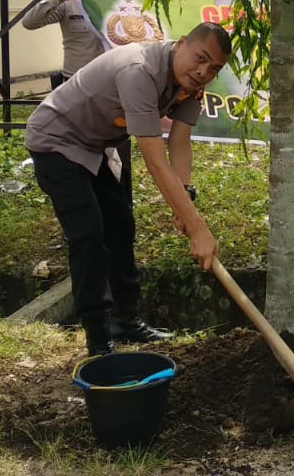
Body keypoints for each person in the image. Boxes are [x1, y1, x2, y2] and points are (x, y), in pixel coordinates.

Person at [24, 22, 230, 356]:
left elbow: (179, 140)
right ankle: (97, 336)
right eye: (200, 58)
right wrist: (196, 226)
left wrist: (185, 197)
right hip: (57, 139)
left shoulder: (191, 85)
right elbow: (155, 161)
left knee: (121, 226)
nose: (203, 71)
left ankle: (126, 321)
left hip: (99, 144)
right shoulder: (140, 70)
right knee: (89, 233)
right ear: (181, 44)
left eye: (214, 68)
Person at [23, 0, 112, 89]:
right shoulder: (68, 3)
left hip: (111, 77)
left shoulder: (119, 4)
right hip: (77, 81)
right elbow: (29, 22)